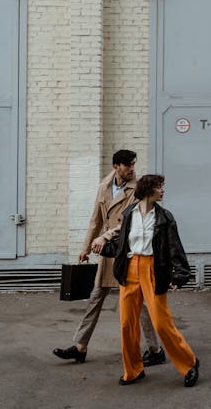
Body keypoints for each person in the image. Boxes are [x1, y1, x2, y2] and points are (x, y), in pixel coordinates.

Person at [53, 150, 165, 368]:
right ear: (116, 166)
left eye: (134, 164)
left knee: (140, 304)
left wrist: (104, 237)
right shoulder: (104, 185)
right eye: (128, 165)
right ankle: (80, 347)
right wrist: (85, 247)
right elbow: (95, 219)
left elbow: (128, 221)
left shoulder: (138, 188)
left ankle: (155, 349)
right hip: (108, 254)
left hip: (127, 252)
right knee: (95, 298)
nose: (132, 169)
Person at [97, 174, 199, 387]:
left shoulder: (165, 217)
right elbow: (123, 245)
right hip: (130, 269)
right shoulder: (129, 215)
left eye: (163, 187)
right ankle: (133, 370)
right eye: (159, 187)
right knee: (127, 324)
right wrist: (103, 248)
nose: (163, 191)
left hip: (153, 269)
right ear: (148, 190)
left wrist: (180, 275)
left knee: (162, 324)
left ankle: (189, 363)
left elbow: (174, 248)